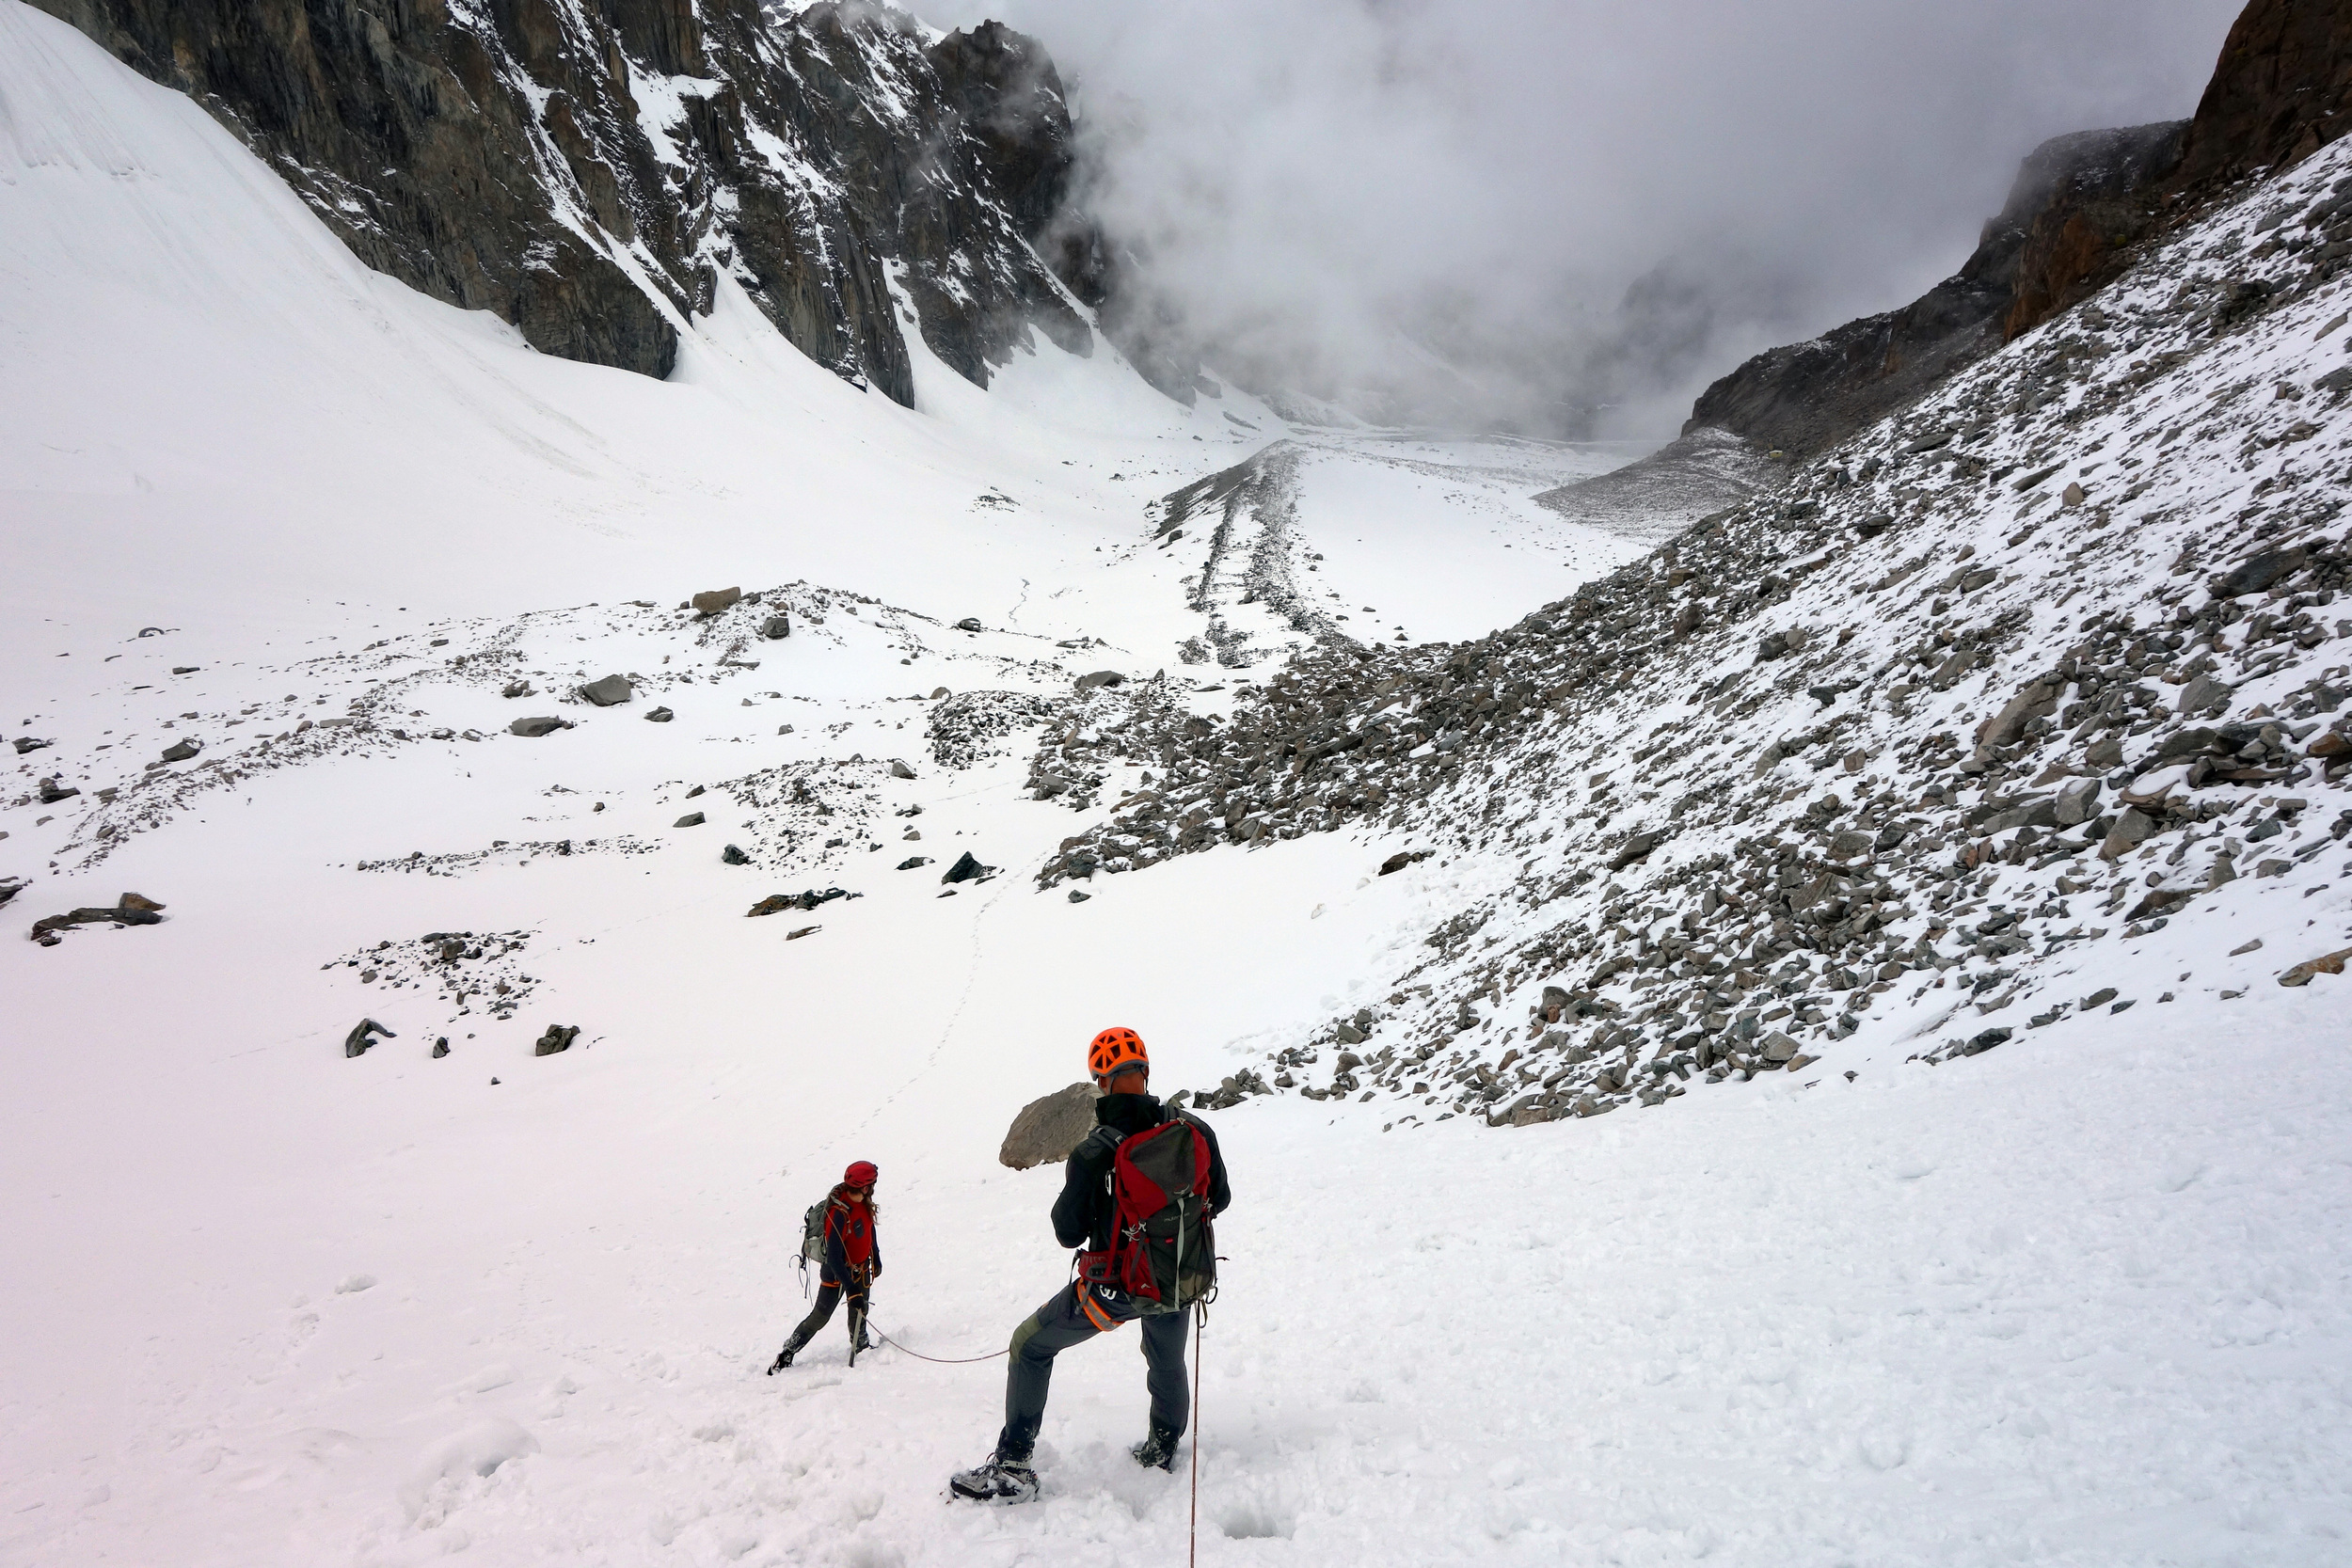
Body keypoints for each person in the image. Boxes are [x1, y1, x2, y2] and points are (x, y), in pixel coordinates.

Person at [951, 1028, 1231, 1503]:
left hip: (1115, 1288)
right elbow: (1219, 1198)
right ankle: (1162, 1448)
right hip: (1178, 1277)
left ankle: (1014, 1464)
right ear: (1145, 1072)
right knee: (1167, 1360)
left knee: (1030, 1346)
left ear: (1101, 1082)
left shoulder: (1093, 1151)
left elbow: (1067, 1233)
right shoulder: (1193, 1130)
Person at [768, 1160, 882, 1371]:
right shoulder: (838, 1213)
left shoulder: (863, 1202)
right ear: (865, 1186)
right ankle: (788, 1352)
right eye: (872, 1184)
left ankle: (861, 1344)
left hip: (861, 1268)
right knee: (820, 1317)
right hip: (836, 1273)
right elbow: (834, 1258)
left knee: (860, 1309)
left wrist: (875, 1255)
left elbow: (868, 1228)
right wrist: (850, 1287)